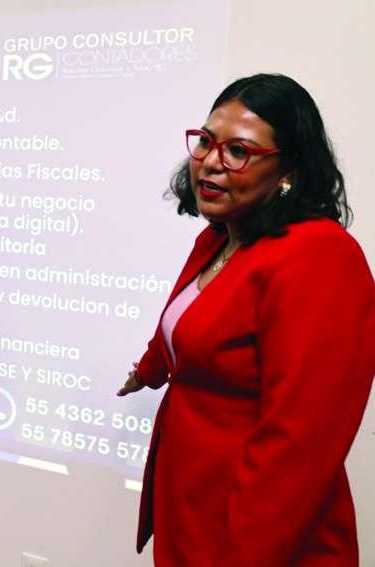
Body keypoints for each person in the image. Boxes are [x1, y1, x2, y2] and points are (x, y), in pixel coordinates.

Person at [116, 74, 374, 566]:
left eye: (239, 150)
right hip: (191, 507)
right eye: (206, 142)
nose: (212, 161)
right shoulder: (219, 238)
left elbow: (300, 446)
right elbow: (190, 322)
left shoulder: (320, 256)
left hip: (259, 531)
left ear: (289, 171)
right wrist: (150, 369)